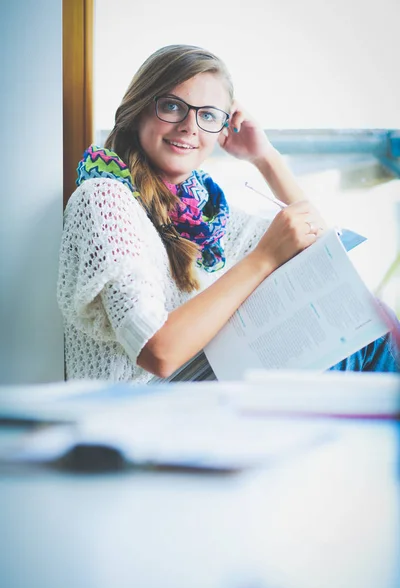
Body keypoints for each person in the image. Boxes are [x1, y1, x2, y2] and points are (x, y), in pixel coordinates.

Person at [57, 44, 399, 382]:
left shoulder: (207, 218)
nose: (189, 126)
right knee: (367, 337)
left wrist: (265, 158)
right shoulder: (103, 197)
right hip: (135, 411)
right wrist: (263, 258)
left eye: (207, 115)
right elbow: (158, 353)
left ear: (222, 128)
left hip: (196, 399)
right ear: (138, 111)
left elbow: (323, 259)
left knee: (364, 317)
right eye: (173, 106)